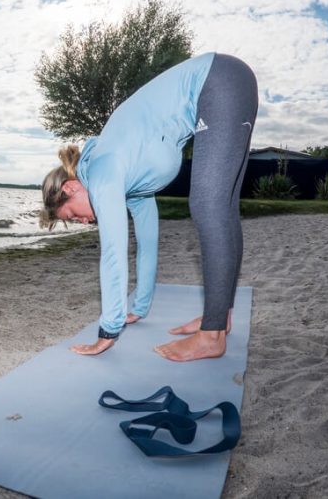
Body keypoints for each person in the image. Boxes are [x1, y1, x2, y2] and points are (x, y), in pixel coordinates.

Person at [39, 52, 258, 361]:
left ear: (70, 187)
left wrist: (108, 331)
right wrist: (138, 309)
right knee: (222, 208)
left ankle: (211, 335)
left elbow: (113, 253)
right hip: (228, 81)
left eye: (73, 215)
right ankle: (220, 318)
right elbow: (147, 243)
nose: (86, 222)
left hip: (216, 82)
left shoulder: (103, 169)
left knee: (207, 206)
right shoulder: (131, 183)